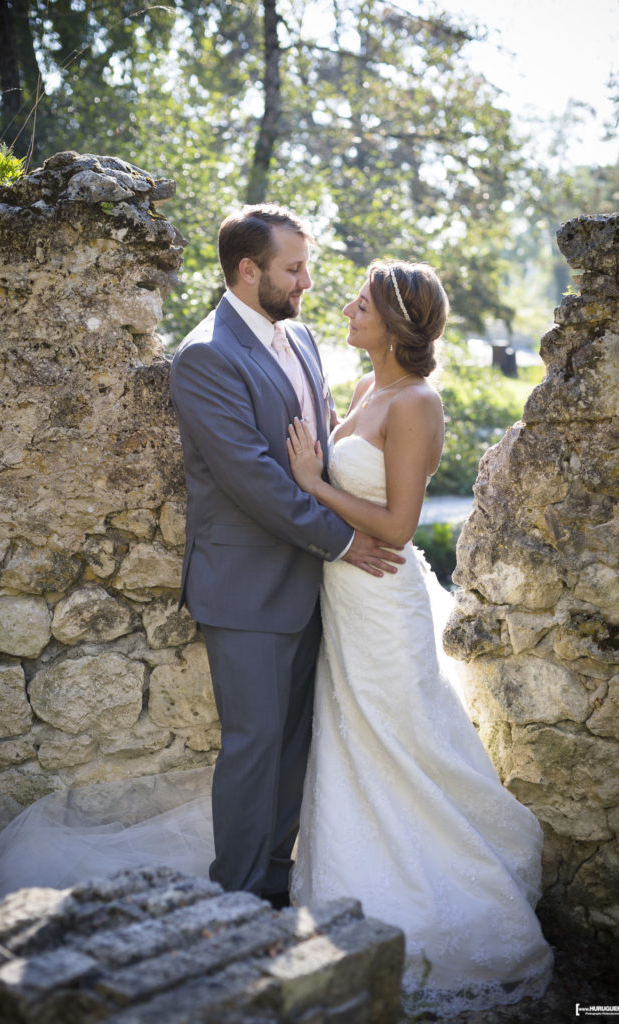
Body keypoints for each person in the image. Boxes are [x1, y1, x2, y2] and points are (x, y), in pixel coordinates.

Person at [285, 259, 554, 1015]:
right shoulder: (370, 388)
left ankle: (437, 893)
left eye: (360, 302)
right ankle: (347, 873)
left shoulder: (417, 404)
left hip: (380, 595)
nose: (345, 307)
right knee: (350, 733)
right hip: (344, 593)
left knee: (394, 734)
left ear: (396, 322)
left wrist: (314, 485)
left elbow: (400, 526)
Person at [168, 204, 402, 909]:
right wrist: (342, 539)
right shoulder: (205, 355)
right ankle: (232, 897)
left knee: (295, 743)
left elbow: (320, 449)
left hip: (313, 586)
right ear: (248, 270)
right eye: (292, 269)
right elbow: (253, 481)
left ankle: (272, 877)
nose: (306, 283)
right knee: (252, 747)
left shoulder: (297, 338)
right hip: (246, 591)